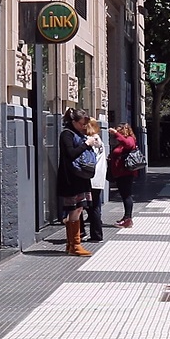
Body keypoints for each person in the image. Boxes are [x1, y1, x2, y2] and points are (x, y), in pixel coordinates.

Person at [58, 107, 98, 256]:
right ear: (74, 121)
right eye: (81, 123)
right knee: (75, 209)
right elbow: (70, 154)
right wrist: (86, 144)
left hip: (80, 176)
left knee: (80, 208)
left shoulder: (76, 133)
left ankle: (71, 244)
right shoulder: (66, 135)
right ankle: (75, 245)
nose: (83, 126)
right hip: (71, 177)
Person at [108, 122, 138, 228]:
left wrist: (116, 133)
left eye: (119, 129)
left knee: (127, 195)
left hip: (126, 173)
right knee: (124, 195)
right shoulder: (121, 143)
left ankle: (128, 219)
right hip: (120, 173)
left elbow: (128, 144)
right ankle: (126, 217)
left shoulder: (130, 139)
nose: (118, 130)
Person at [82, 118, 107, 242]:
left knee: (92, 207)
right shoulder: (99, 140)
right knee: (95, 206)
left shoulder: (92, 140)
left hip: (92, 177)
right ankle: (96, 234)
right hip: (98, 177)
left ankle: (96, 234)